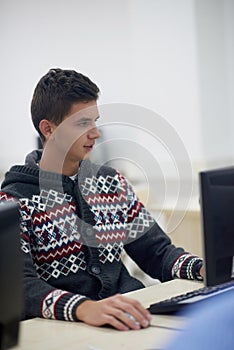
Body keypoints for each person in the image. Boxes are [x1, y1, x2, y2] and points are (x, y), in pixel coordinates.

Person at [0, 68, 203, 331]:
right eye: (82, 123)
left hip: (128, 316)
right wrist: (84, 308)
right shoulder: (13, 199)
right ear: (48, 129)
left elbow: (157, 252)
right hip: (67, 330)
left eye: (94, 121)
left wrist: (202, 269)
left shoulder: (111, 183)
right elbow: (20, 286)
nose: (95, 133)